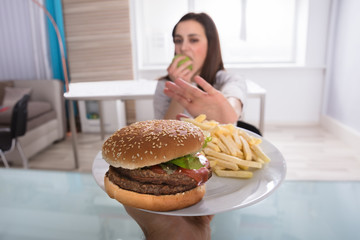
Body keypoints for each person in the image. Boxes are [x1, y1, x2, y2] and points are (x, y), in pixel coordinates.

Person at [154, 12, 246, 124]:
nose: (183, 48)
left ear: (210, 45)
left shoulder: (228, 79)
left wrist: (226, 112)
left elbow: (234, 98)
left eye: (193, 40)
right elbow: (164, 133)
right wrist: (180, 90)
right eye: (178, 40)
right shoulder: (165, 85)